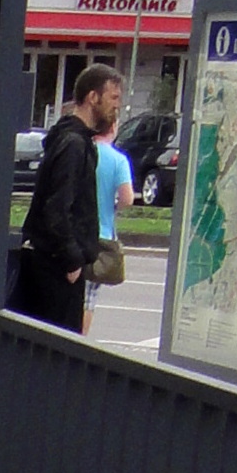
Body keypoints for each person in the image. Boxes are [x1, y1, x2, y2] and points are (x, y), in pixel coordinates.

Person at [10, 64, 120, 333]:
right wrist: (72, 260)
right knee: (56, 352)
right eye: (114, 98)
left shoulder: (71, 139)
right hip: (56, 271)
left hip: (52, 266)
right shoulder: (74, 144)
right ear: (93, 97)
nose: (117, 107)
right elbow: (57, 208)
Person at [87, 119, 136, 330]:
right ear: (114, 129)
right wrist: (114, 206)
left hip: (76, 231)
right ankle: (78, 340)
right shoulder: (118, 160)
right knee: (88, 299)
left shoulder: (84, 152)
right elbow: (127, 198)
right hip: (102, 236)